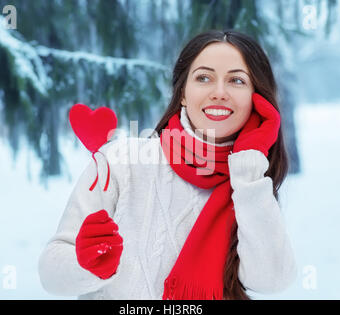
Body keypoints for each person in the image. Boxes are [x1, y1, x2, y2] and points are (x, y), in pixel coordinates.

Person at [38, 29, 297, 300]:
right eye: (204, 78)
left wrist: (248, 170)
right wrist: (87, 264)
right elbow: (50, 273)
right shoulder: (121, 160)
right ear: (182, 93)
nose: (219, 92)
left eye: (236, 80)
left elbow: (272, 279)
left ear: (257, 98)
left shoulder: (249, 181)